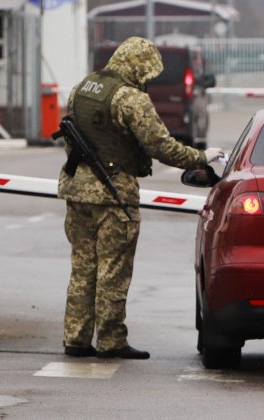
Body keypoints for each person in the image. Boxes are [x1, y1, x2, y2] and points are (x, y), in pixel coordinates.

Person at [58, 37, 224, 360]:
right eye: (147, 74)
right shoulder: (131, 100)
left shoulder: (81, 88)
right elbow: (162, 147)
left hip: (77, 191)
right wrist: (201, 157)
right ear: (138, 68)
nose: (148, 81)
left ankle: (76, 339)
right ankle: (110, 340)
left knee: (82, 268)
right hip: (113, 194)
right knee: (113, 271)